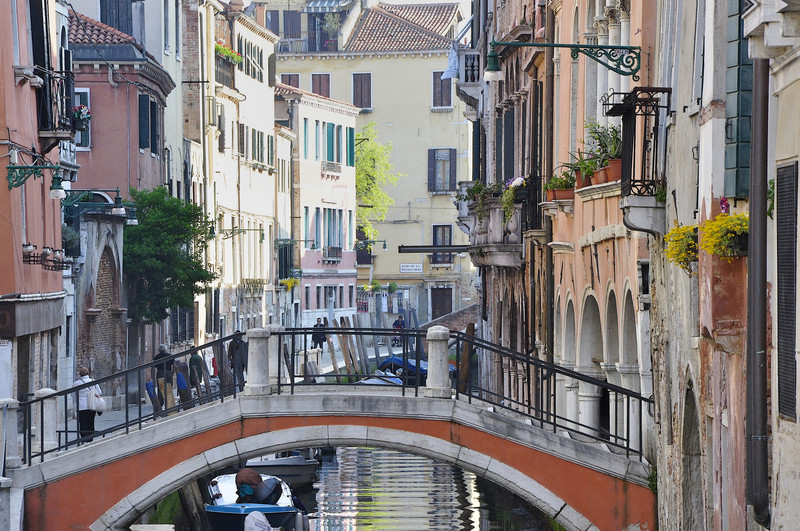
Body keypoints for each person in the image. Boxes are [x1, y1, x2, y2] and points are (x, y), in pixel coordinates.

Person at [72, 366, 101, 441]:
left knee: (82, 423)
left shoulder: (76, 383)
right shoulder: (93, 381)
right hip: (92, 405)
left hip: (81, 406)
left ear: (80, 374)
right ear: (88, 373)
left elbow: (72, 394)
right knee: (91, 422)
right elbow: (99, 392)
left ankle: (84, 439)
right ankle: (90, 438)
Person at [153, 344, 175, 413]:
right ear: (165, 349)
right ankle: (170, 405)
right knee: (169, 388)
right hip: (168, 372)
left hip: (160, 373)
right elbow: (173, 364)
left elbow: (154, 366)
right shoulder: (169, 355)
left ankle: (160, 406)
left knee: (160, 389)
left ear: (159, 350)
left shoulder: (157, 357)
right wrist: (173, 372)